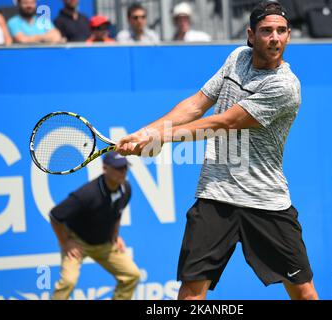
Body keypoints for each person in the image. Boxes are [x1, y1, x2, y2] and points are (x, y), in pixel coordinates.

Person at [116, 1, 319, 300]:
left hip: (266, 202)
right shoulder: (237, 58)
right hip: (215, 195)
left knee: (303, 292)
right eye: (266, 31)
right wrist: (148, 131)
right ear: (251, 35)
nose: (274, 38)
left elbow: (224, 123)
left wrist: (161, 139)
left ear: (288, 35)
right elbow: (197, 103)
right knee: (191, 292)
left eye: (281, 31)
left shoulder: (285, 87)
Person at [49, 152, 141, 300]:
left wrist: (115, 235)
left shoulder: (126, 189)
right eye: (118, 168)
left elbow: (118, 212)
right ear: (105, 169)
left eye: (125, 168)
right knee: (68, 281)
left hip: (105, 244)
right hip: (78, 243)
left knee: (132, 275)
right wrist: (65, 242)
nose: (123, 172)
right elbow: (55, 216)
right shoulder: (87, 194)